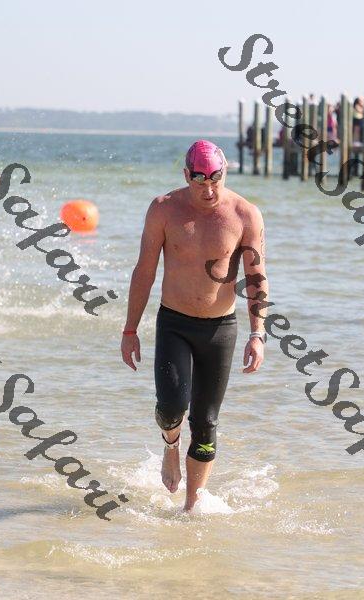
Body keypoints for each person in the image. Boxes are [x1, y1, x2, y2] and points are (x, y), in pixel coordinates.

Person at [121, 140, 268, 512]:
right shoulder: (163, 209)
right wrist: (130, 330)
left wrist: (258, 333)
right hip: (175, 323)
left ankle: (191, 507)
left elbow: (256, 277)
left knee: (206, 423)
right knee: (172, 407)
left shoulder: (245, 215)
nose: (209, 189)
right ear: (187, 175)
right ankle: (170, 446)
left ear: (224, 172)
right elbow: (144, 271)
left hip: (221, 329)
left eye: (215, 178)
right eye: (199, 180)